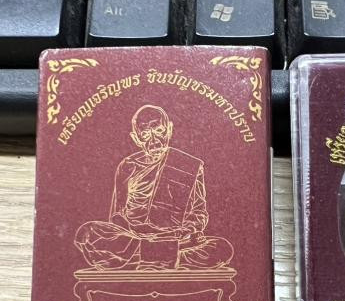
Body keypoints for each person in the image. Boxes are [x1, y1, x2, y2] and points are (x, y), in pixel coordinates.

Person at [75, 104, 234, 271]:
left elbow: (199, 212)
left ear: (169, 129)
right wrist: (134, 230)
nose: (154, 141)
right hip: (133, 237)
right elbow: (117, 215)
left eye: (159, 131)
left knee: (222, 249)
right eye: (145, 134)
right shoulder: (128, 166)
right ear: (135, 138)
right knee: (88, 233)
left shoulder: (189, 165)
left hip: (174, 237)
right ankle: (167, 255)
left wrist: (185, 231)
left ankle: (148, 255)